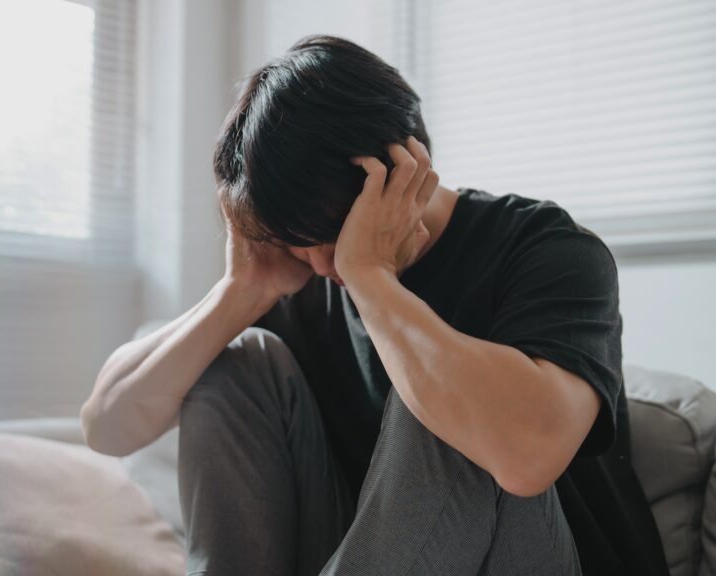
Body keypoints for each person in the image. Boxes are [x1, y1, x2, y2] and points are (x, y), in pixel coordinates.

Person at [80, 35, 669, 575]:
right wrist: (241, 291)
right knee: (238, 359)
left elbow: (527, 456)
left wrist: (372, 276)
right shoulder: (301, 272)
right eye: (296, 243)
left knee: (445, 389)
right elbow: (106, 426)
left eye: (330, 239)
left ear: (401, 171)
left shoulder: (548, 248)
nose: (317, 266)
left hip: (544, 556)